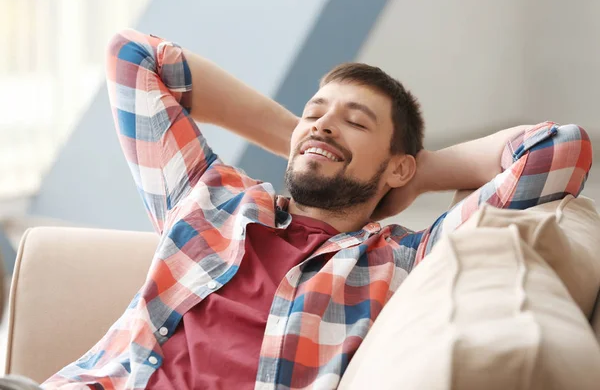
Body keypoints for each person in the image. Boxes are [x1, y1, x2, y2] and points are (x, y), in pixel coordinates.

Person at [25, 29, 592, 389]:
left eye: (356, 120)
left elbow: (560, 149)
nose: (323, 120)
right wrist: (307, 139)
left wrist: (415, 174)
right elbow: (134, 56)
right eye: (315, 110)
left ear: (397, 165)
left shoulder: (401, 259)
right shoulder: (210, 196)